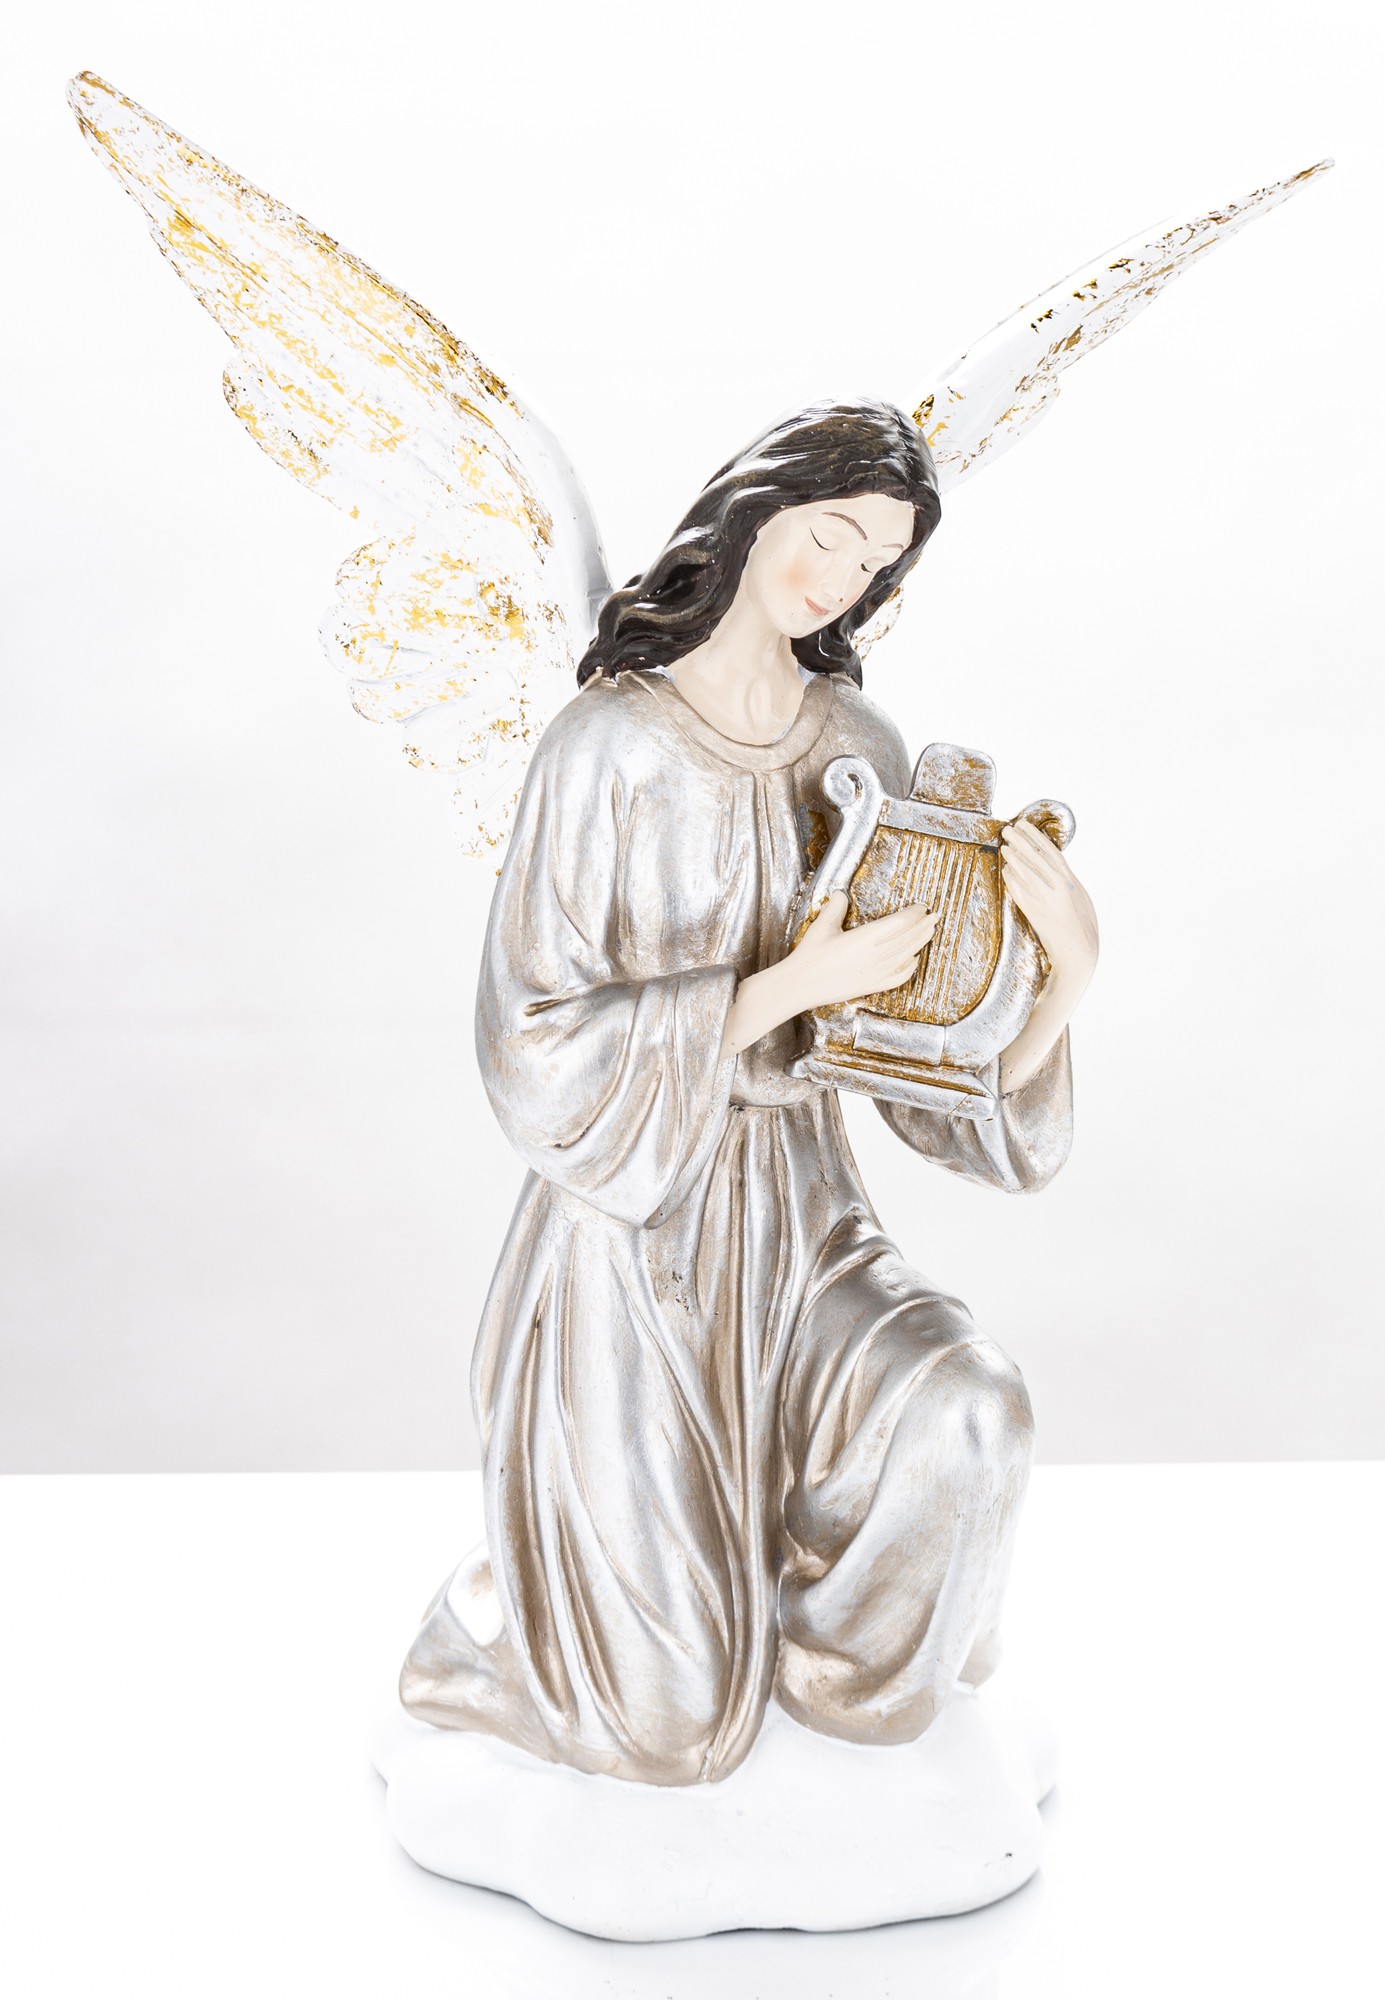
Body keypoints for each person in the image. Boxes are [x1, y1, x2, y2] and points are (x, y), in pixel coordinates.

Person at [400, 401, 1099, 1785]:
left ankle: (845, 1694)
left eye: (877, 561)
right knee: (665, 1733)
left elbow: (910, 1070)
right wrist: (781, 988)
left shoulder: (860, 748)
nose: (842, 579)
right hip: (631, 1247)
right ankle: (494, 1632)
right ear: (753, 510)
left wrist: (1061, 974)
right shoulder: (604, 745)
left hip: (806, 1222)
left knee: (967, 1411)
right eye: (829, 535)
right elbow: (530, 1038)